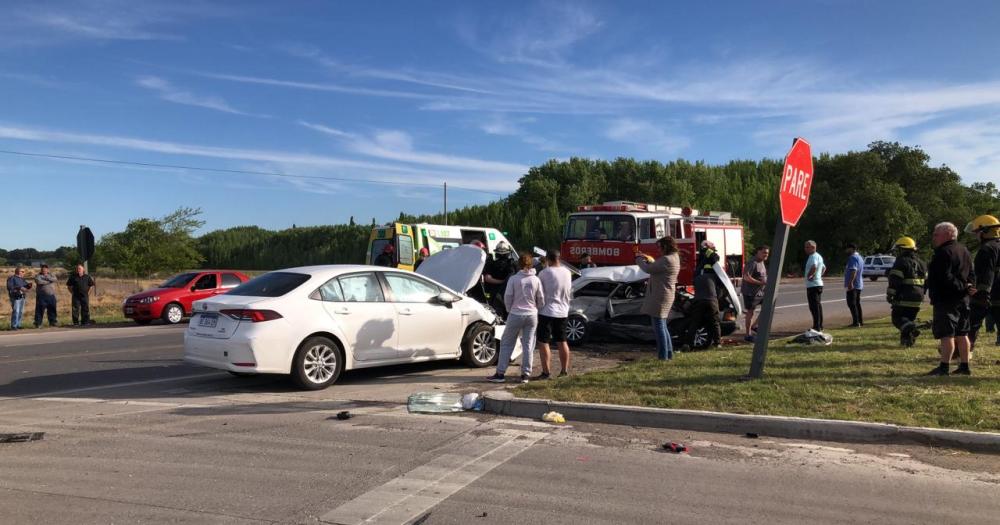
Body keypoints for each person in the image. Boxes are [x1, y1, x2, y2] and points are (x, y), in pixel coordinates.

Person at [925, 222, 974, 376]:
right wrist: (969, 286)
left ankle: (944, 367)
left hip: (946, 299)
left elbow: (943, 277)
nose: (933, 237)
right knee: (962, 333)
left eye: (936, 234)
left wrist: (960, 286)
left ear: (947, 234)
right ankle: (964, 366)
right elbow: (971, 273)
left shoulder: (943, 253)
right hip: (963, 299)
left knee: (947, 334)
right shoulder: (964, 250)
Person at [487, 252, 544, 384]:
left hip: (515, 314)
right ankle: (525, 375)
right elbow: (540, 298)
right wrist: (538, 308)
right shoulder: (536, 280)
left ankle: (500, 373)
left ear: (518, 265)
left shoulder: (513, 279)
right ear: (531, 265)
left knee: (507, 343)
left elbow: (507, 297)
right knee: (528, 345)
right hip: (532, 314)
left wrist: (509, 309)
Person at [636, 237, 681, 360]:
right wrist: (648, 259)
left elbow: (648, 269)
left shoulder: (666, 259)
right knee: (662, 325)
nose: (659, 250)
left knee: (659, 326)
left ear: (666, 246)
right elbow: (657, 267)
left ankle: (663, 356)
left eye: (660, 247)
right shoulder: (674, 257)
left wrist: (639, 259)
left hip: (660, 295)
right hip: (665, 294)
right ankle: (669, 354)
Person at [964, 214, 1000, 354]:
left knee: (972, 323)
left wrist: (981, 292)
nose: (976, 236)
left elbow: (987, 272)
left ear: (984, 232)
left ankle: (963, 352)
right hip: (995, 293)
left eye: (977, 233)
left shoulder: (987, 249)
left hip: (989, 294)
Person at [536, 250, 573, 379]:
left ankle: (546, 372)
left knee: (543, 342)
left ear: (548, 259)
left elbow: (539, 291)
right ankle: (564, 371)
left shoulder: (544, 273)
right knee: (562, 341)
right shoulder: (567, 272)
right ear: (559, 258)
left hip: (547, 310)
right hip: (563, 311)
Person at [886, 237, 926, 347]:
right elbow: (926, 282)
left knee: (897, 319)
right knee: (909, 320)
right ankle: (907, 342)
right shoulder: (922, 263)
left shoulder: (901, 262)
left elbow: (895, 280)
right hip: (918, 298)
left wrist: (890, 294)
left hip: (904, 296)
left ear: (902, 249)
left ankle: (912, 329)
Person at [683, 270, 721, 350]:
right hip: (712, 301)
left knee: (694, 323)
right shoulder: (714, 277)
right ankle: (717, 343)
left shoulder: (697, 278)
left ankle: (688, 344)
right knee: (715, 323)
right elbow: (719, 291)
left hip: (699, 301)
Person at [741, 245, 770, 342]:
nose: (766, 255)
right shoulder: (752, 262)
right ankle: (748, 334)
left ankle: (755, 326)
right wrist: (761, 283)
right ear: (758, 252)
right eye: (764, 252)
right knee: (751, 312)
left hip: (761, 292)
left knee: (767, 307)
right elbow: (746, 277)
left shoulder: (762, 262)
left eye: (767, 253)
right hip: (750, 292)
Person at [483, 241, 517, 319]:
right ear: (508, 253)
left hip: (494, 295)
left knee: (495, 317)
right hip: (508, 295)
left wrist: (500, 282)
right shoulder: (511, 265)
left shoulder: (491, 264)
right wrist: (503, 282)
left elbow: (487, 279)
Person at [804, 240, 826, 332]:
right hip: (817, 284)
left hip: (813, 285)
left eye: (807, 247)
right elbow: (824, 267)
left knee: (814, 307)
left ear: (813, 247)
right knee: (817, 306)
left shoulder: (813, 256)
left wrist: (810, 276)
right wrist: (819, 275)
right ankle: (819, 325)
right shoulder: (818, 256)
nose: (805, 249)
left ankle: (817, 327)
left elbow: (814, 266)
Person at [844, 244, 865, 327]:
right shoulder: (860, 257)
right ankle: (860, 321)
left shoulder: (852, 258)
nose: (846, 251)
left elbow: (854, 270)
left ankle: (856, 322)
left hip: (854, 284)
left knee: (851, 303)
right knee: (857, 303)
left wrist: (850, 282)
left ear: (852, 249)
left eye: (847, 249)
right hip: (859, 283)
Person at [6, 266, 32, 330]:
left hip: (22, 296)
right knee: (16, 311)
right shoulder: (12, 278)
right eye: (22, 271)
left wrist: (28, 286)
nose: (23, 273)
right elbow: (9, 287)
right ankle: (14, 325)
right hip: (15, 297)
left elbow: (25, 286)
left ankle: (18, 324)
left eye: (24, 272)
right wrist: (19, 287)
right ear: (18, 271)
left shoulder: (22, 279)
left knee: (20, 311)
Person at [33, 264, 58, 328]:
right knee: (39, 310)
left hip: (51, 295)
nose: (44, 270)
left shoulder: (51, 275)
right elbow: (39, 282)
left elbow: (55, 279)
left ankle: (52, 322)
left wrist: (47, 278)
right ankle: (38, 323)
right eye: (43, 269)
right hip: (41, 296)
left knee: (52, 309)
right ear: (41, 269)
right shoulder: (38, 275)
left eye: (45, 269)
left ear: (47, 269)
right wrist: (49, 281)